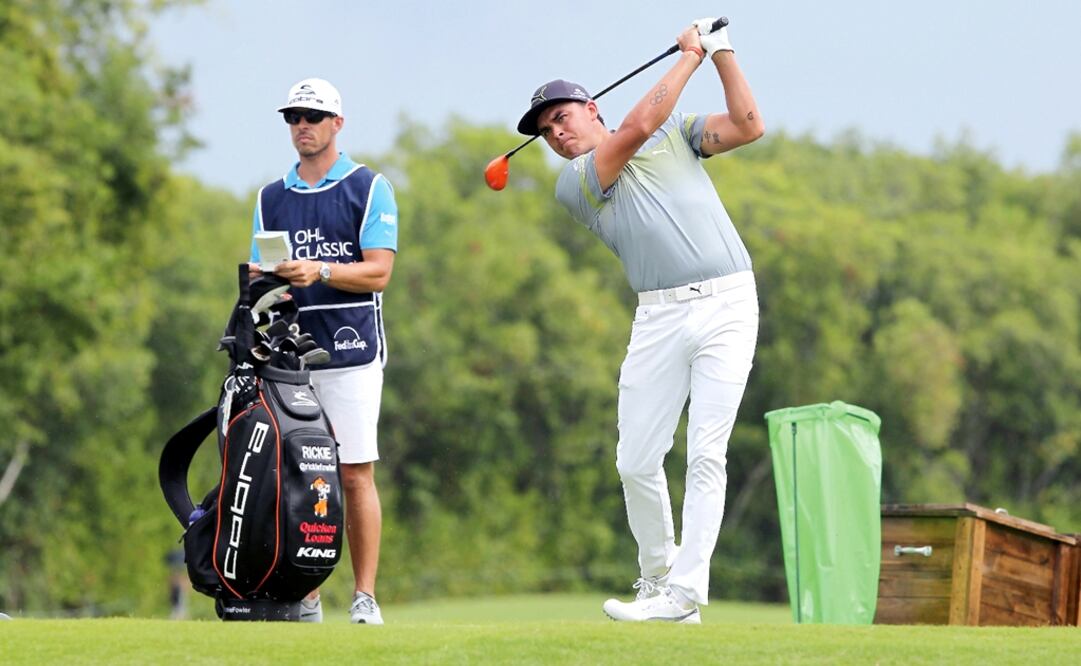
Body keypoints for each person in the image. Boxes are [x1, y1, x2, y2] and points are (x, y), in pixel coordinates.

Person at [517, 19, 764, 623]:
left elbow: (749, 125)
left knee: (707, 452)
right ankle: (658, 579)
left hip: (729, 302)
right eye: (547, 131)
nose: (556, 133)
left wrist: (722, 52)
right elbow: (636, 127)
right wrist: (689, 57)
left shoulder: (679, 132)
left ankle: (685, 593)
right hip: (658, 318)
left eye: (562, 118)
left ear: (589, 108)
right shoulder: (576, 181)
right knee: (636, 460)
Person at [249, 77, 398, 624]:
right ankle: (305, 594)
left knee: (355, 472)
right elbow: (259, 280)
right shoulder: (270, 197)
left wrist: (322, 270)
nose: (302, 126)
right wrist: (264, 279)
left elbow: (379, 272)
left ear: (337, 123)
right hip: (288, 355)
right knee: (294, 474)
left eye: (312, 116)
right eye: (293, 117)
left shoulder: (369, 186)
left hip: (352, 348)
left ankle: (364, 597)